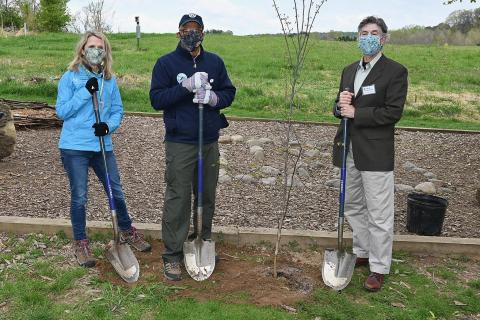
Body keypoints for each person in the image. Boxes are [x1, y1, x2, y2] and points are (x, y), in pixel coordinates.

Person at [150, 13, 236, 281]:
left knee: (206, 194)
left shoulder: (215, 62)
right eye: (186, 29)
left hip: (208, 139)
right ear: (178, 33)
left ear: (203, 33)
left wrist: (213, 98)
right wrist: (185, 87)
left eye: (195, 29)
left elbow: (229, 93)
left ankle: (202, 240)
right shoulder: (165, 64)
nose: (191, 33)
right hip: (181, 141)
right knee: (178, 198)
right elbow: (156, 99)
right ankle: (173, 254)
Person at [56, 31, 151, 268]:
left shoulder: (109, 80)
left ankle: (127, 231)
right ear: (82, 49)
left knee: (115, 190)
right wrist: (84, 92)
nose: (96, 50)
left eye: (100, 46)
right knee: (80, 196)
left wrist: (108, 126)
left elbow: (118, 110)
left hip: (101, 145)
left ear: (105, 51)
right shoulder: (70, 77)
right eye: (91, 46)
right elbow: (62, 111)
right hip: (74, 146)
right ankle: (80, 242)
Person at [332, 16, 408, 291]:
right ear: (357, 37)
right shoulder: (349, 69)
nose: (368, 37)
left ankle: (379, 267)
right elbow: (340, 107)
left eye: (374, 33)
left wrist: (357, 113)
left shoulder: (395, 72)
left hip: (376, 152)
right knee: (352, 205)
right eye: (364, 33)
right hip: (349, 149)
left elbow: (392, 112)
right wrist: (340, 107)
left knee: (379, 213)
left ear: (384, 39)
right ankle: (362, 251)